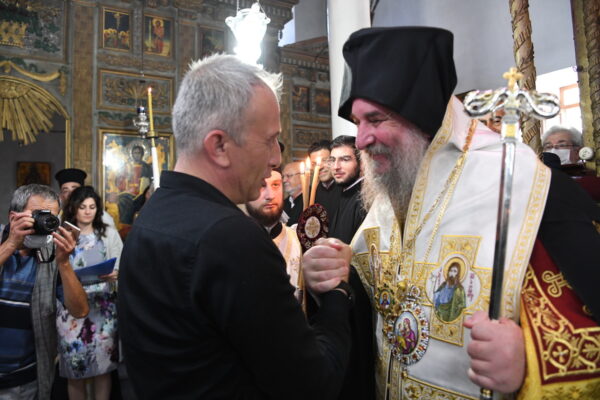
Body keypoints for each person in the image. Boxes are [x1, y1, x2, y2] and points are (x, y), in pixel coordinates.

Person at [303, 26, 600, 399]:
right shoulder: (395, 191)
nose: (361, 140)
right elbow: (378, 313)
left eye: (375, 120)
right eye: (357, 122)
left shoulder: (526, 188)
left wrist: (531, 362)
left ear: (421, 116)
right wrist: (333, 277)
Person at [118, 54, 353, 399]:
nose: (276, 158)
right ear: (219, 146)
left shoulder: (152, 215)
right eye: (269, 140)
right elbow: (313, 384)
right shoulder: (230, 237)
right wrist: (335, 294)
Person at [0, 184, 88, 399]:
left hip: (24, 380)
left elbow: (80, 310)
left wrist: (64, 263)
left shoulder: (52, 255)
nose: (44, 223)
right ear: (13, 217)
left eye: (51, 218)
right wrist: (10, 244)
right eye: (38, 216)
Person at [57, 186, 122, 400]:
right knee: (75, 369)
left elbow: (121, 264)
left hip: (102, 308)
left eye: (92, 207)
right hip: (72, 311)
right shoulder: (63, 235)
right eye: (83, 207)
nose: (87, 211)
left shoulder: (108, 233)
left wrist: (115, 274)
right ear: (73, 209)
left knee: (103, 368)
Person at [245, 168, 302, 300]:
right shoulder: (231, 243)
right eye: (261, 185)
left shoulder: (299, 240)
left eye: (276, 185)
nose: (270, 195)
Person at [327, 135, 366, 245]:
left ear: (362, 163)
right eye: (332, 160)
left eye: (345, 159)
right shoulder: (342, 192)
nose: (336, 167)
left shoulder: (365, 199)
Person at [308, 140, 340, 217]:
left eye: (325, 160)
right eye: (314, 164)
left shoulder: (346, 190)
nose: (320, 167)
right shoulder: (311, 194)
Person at [282, 161, 304, 226]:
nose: (284, 180)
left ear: (302, 176)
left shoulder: (312, 199)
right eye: (283, 176)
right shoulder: (283, 204)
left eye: (288, 176)